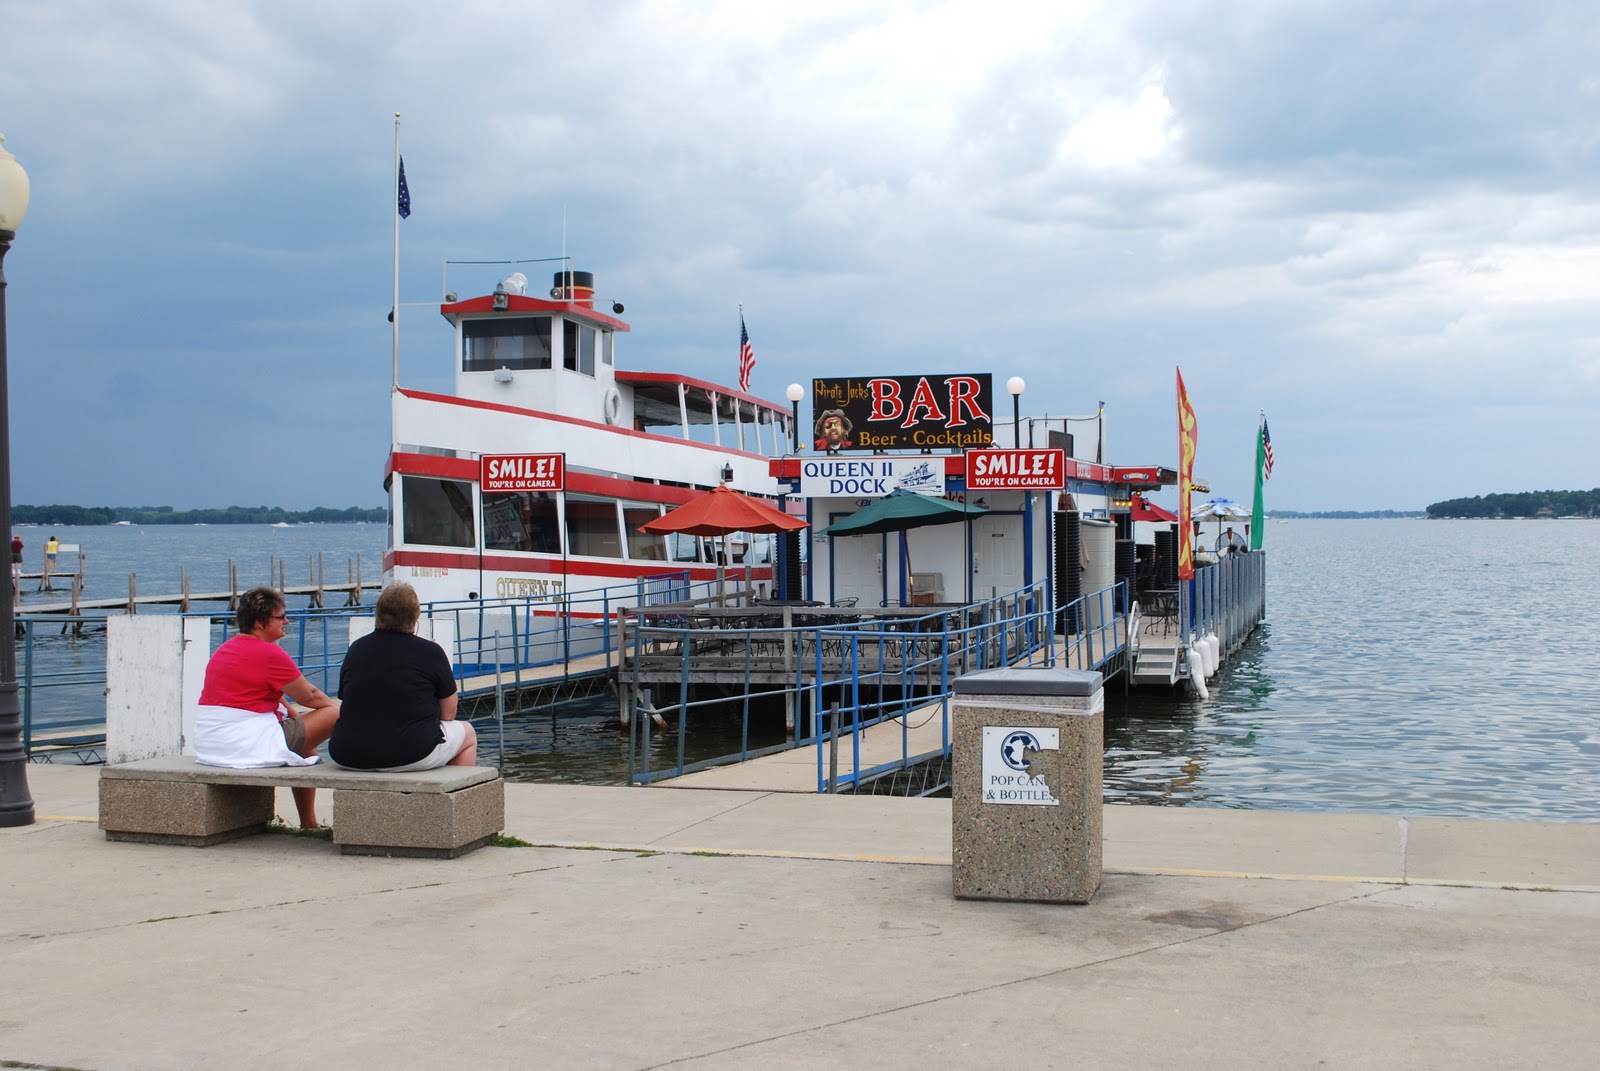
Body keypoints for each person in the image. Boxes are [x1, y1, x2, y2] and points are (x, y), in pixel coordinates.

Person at [194, 586, 340, 828]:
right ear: (260, 623)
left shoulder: (224, 650)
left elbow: (274, 698)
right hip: (243, 743)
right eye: (280, 617)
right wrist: (339, 715)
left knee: (307, 745)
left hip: (211, 744)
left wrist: (302, 724)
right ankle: (308, 823)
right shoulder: (269, 653)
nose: (287, 621)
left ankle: (310, 823)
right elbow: (311, 696)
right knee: (334, 715)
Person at [329, 582, 476, 772]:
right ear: (415, 616)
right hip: (411, 752)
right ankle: (451, 796)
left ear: (378, 613)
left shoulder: (356, 649)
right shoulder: (431, 652)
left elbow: (346, 698)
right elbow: (448, 714)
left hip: (348, 753)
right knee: (468, 734)